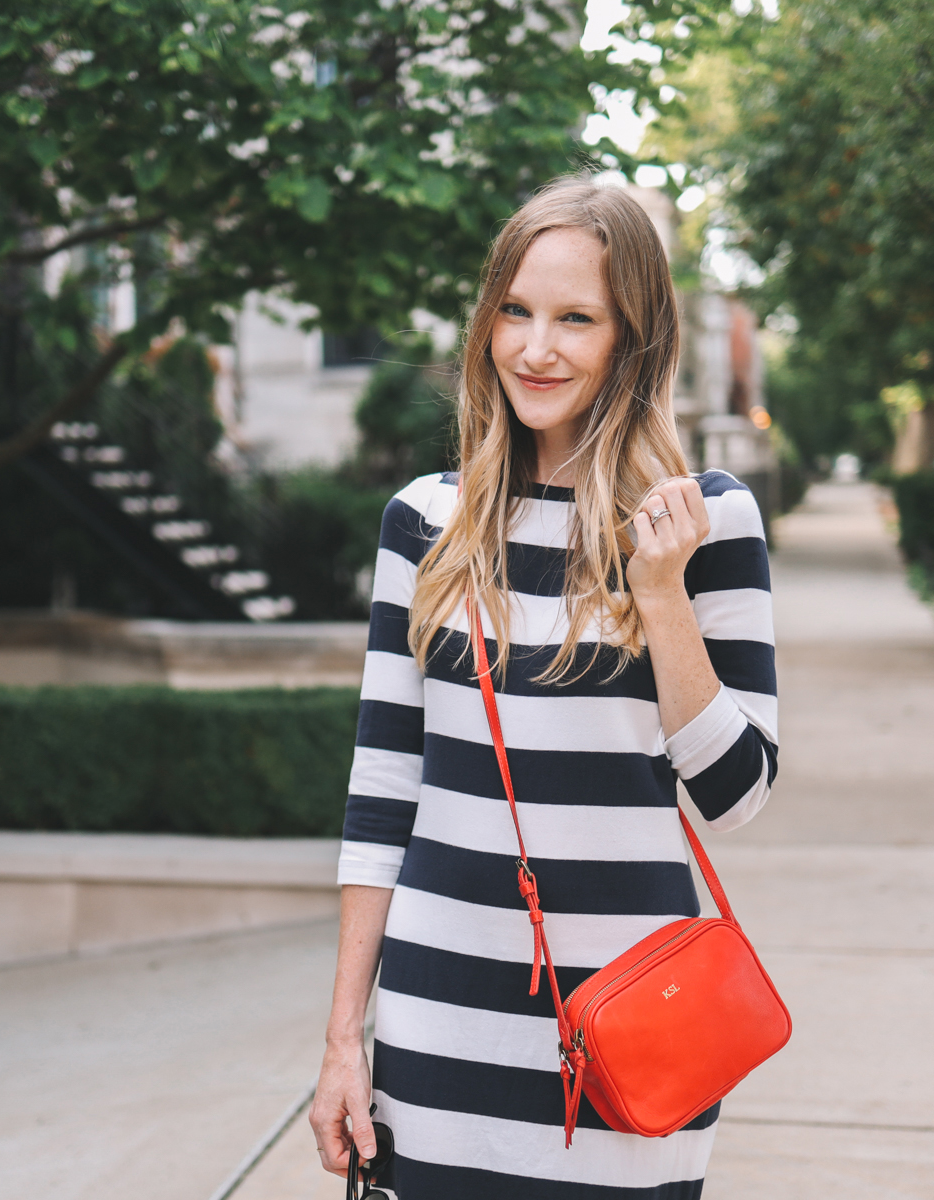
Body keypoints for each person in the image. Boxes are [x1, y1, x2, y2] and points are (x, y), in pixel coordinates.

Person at [309, 177, 778, 1198]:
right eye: (515, 312)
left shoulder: (706, 523)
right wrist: (345, 1039)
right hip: (440, 1014)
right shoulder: (424, 522)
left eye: (577, 320)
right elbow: (385, 788)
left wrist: (659, 592)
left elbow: (736, 795)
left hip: (635, 1022)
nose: (535, 349)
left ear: (632, 339)